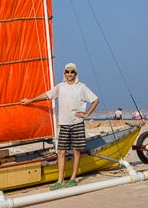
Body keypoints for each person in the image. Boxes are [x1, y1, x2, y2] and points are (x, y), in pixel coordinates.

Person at [20, 62, 99, 190]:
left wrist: (86, 114)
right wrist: (31, 100)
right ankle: (60, 180)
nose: (69, 74)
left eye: (72, 72)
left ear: (75, 73)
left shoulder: (81, 87)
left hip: (77, 123)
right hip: (64, 124)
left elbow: (95, 100)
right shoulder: (60, 87)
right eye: (67, 72)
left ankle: (73, 178)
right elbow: (47, 95)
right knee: (61, 151)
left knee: (76, 151)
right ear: (64, 73)